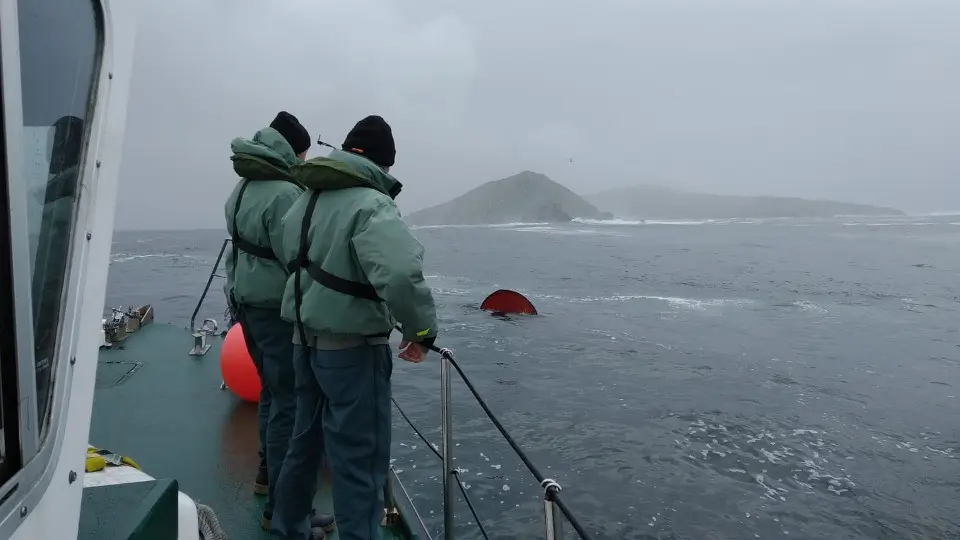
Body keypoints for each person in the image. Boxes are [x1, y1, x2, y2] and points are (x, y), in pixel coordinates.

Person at [269, 115, 438, 540]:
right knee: (358, 459)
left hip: (302, 342)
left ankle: (289, 526)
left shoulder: (305, 200)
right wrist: (420, 333)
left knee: (303, 443)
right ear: (383, 164)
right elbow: (399, 275)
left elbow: (287, 253)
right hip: (352, 352)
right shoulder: (373, 204)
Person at [223, 111, 333, 533]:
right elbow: (297, 259)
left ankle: (266, 480)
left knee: (272, 394)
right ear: (290, 149)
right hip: (276, 312)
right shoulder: (285, 194)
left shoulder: (242, 187)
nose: (304, 158)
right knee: (292, 405)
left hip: (247, 307)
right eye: (302, 152)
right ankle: (287, 512)